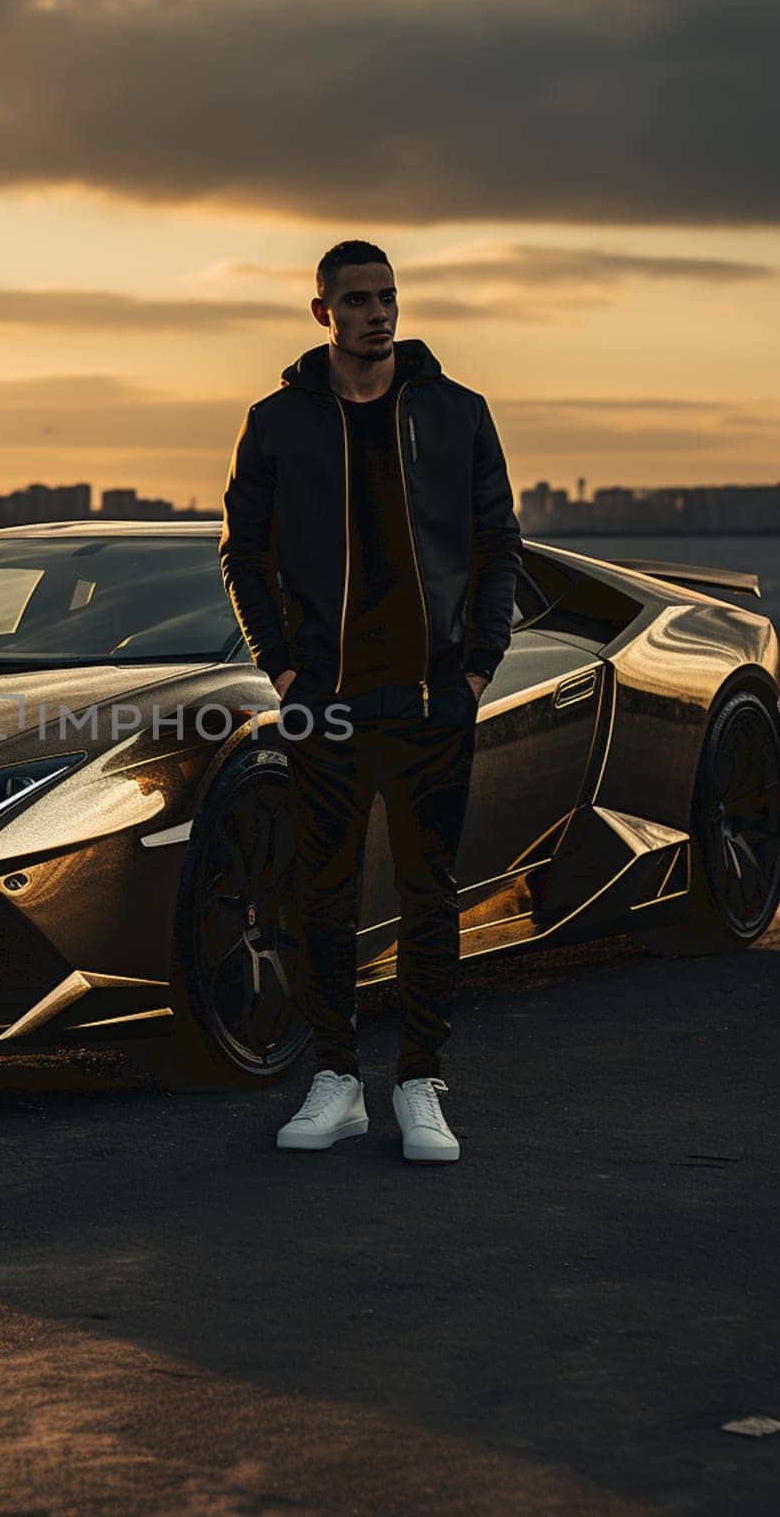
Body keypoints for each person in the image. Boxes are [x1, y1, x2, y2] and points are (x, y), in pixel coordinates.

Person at [218, 239, 523, 1163]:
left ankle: (422, 1082)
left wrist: (476, 668)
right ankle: (339, 1079)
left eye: (386, 296)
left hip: (432, 698)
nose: (375, 314)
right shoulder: (277, 421)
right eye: (355, 300)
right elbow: (244, 553)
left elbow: (496, 544)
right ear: (322, 313)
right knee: (323, 898)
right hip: (325, 702)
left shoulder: (457, 413)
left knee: (430, 897)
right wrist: (282, 671)